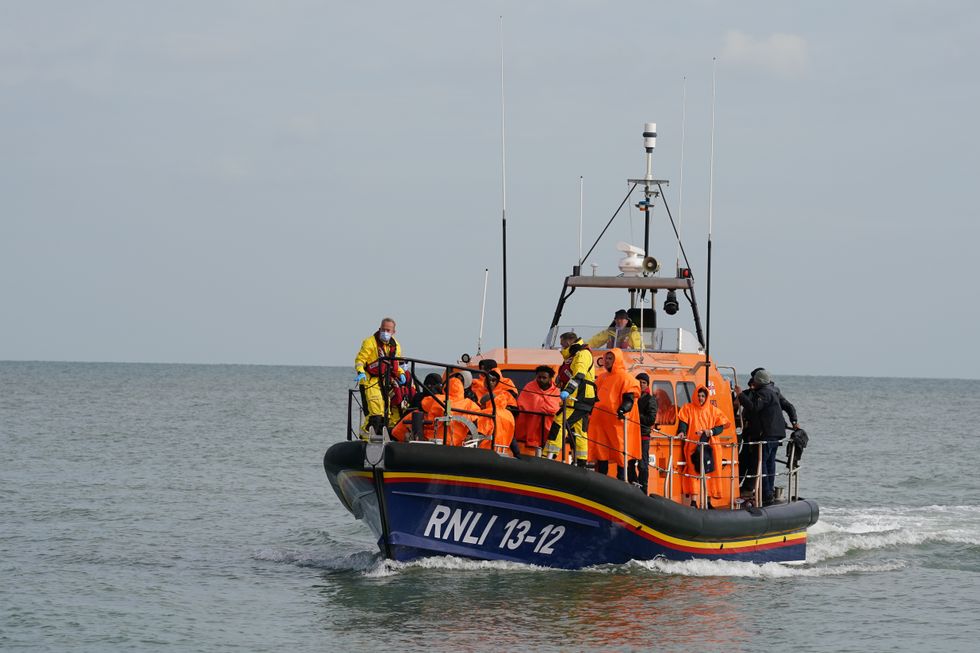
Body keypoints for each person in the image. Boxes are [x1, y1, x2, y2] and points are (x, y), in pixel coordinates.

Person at [735, 369, 796, 506]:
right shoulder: (772, 391)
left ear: (758, 381)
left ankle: (765, 494)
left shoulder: (764, 393)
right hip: (774, 434)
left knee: (762, 464)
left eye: (754, 380)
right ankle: (766, 493)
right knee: (769, 463)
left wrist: (739, 395)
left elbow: (753, 407)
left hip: (768, 435)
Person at [544, 332, 596, 466]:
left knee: (559, 422)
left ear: (568, 342)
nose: (561, 348)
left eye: (562, 344)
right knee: (579, 431)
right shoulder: (573, 355)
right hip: (580, 398)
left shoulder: (582, 354)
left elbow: (579, 374)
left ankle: (548, 456)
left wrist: (568, 390)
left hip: (578, 397)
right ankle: (581, 462)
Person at [590, 349, 641, 481]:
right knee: (601, 451)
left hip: (617, 424)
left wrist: (623, 409)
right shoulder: (601, 378)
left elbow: (629, 398)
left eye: (610, 358)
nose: (606, 361)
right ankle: (601, 479)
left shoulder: (626, 378)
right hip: (599, 423)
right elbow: (593, 396)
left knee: (620, 451)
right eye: (606, 358)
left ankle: (622, 479)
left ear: (617, 360)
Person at [675, 384, 730, 506]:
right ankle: (694, 501)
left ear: (706, 397)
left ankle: (709, 500)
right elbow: (683, 423)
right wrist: (681, 432)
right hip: (693, 445)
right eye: (699, 395)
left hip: (711, 446)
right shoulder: (688, 408)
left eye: (703, 396)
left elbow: (721, 426)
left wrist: (711, 432)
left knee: (711, 472)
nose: (700, 398)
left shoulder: (713, 410)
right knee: (694, 471)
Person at [354, 317, 405, 438]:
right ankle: (365, 438)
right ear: (379, 329)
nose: (385, 332)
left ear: (393, 332)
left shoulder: (396, 346)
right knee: (375, 414)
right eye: (383, 329)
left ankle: (381, 437)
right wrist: (360, 372)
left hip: (386, 382)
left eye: (388, 330)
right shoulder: (369, 342)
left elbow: (395, 365)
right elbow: (360, 360)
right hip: (369, 381)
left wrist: (401, 374)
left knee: (387, 415)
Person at [515, 365, 561, 455]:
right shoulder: (529, 387)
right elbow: (522, 404)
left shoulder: (557, 391)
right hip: (529, 431)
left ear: (550, 378)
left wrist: (545, 408)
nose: (541, 380)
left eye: (544, 378)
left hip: (548, 433)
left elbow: (557, 409)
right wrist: (542, 408)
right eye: (539, 377)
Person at [390, 373, 443, 442]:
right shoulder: (443, 400)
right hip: (433, 436)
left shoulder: (419, 397)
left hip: (419, 435)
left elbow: (405, 416)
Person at [476, 371, 517, 455]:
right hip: (502, 451)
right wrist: (517, 454)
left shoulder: (487, 413)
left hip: (485, 452)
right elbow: (512, 438)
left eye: (482, 405)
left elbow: (479, 434)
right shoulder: (508, 415)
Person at [635, 372, 659, 494]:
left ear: (647, 384)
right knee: (628, 463)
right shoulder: (633, 397)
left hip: (643, 435)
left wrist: (636, 416)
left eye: (643, 382)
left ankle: (643, 489)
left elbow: (651, 419)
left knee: (643, 464)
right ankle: (634, 485)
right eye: (639, 382)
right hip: (631, 434)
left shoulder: (650, 400)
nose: (641, 384)